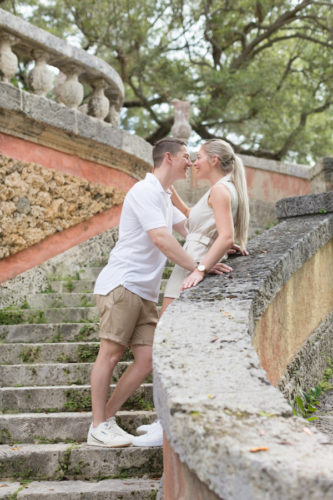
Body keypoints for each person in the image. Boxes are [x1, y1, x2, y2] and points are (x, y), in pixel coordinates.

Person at [87, 137, 223, 448]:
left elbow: (189, 231)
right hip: (122, 284)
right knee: (109, 354)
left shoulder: (163, 196)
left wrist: (221, 247)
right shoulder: (144, 191)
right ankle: (97, 425)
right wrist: (199, 267)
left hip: (144, 290)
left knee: (146, 359)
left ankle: (105, 420)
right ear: (169, 159)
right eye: (186, 156)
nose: (190, 163)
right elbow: (162, 239)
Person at [136, 138, 250, 446]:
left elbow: (225, 236)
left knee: (167, 345)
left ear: (213, 160)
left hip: (191, 268)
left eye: (198, 157)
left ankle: (167, 423)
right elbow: (197, 222)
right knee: (168, 344)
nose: (194, 162)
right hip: (191, 261)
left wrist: (200, 268)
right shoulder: (221, 189)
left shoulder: (220, 190)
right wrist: (166, 188)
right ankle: (163, 418)